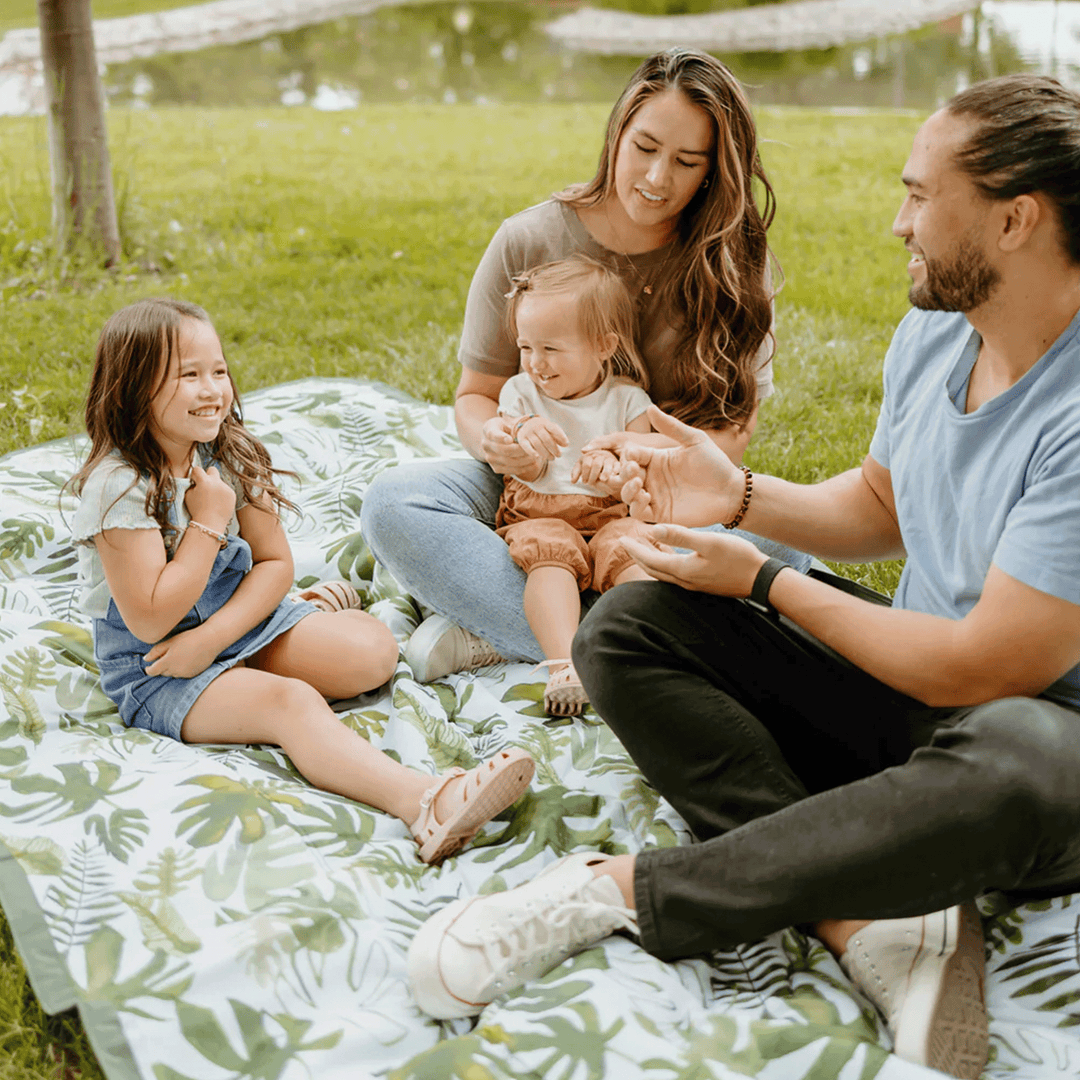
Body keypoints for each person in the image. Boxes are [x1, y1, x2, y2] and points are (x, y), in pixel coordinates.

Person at [404, 73, 1080, 1079]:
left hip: (1033, 741)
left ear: (1016, 219)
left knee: (1016, 756)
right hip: (913, 696)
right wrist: (738, 500)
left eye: (920, 196)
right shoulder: (943, 326)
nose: (899, 224)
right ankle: (865, 917)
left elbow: (984, 669)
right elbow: (881, 508)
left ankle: (624, 892)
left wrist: (763, 581)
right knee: (630, 624)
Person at [361, 47, 811, 684]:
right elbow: (476, 395)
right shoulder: (528, 240)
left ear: (715, 171)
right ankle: (636, 643)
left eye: (687, 162)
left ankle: (521, 633)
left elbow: (731, 435)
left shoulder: (733, 265)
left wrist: (646, 469)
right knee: (393, 502)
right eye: (645, 147)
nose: (657, 178)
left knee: (789, 544)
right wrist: (500, 440)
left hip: (663, 499)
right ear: (617, 134)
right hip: (535, 490)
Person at [69, 298, 535, 866]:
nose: (213, 388)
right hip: (159, 666)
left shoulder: (229, 455)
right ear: (132, 388)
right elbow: (150, 617)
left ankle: (308, 613)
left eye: (218, 370)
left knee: (374, 651)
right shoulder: (119, 487)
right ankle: (427, 803)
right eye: (188, 375)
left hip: (235, 627)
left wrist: (217, 639)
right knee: (291, 703)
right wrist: (210, 521)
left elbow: (273, 564)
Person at [493, 256, 657, 715]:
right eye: (527, 347)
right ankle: (565, 663)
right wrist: (524, 435)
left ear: (604, 345)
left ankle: (645, 656)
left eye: (551, 349)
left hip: (610, 514)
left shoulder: (627, 400)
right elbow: (513, 450)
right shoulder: (521, 393)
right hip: (540, 510)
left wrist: (617, 469)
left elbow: (640, 467)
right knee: (550, 554)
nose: (535, 364)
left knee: (632, 552)